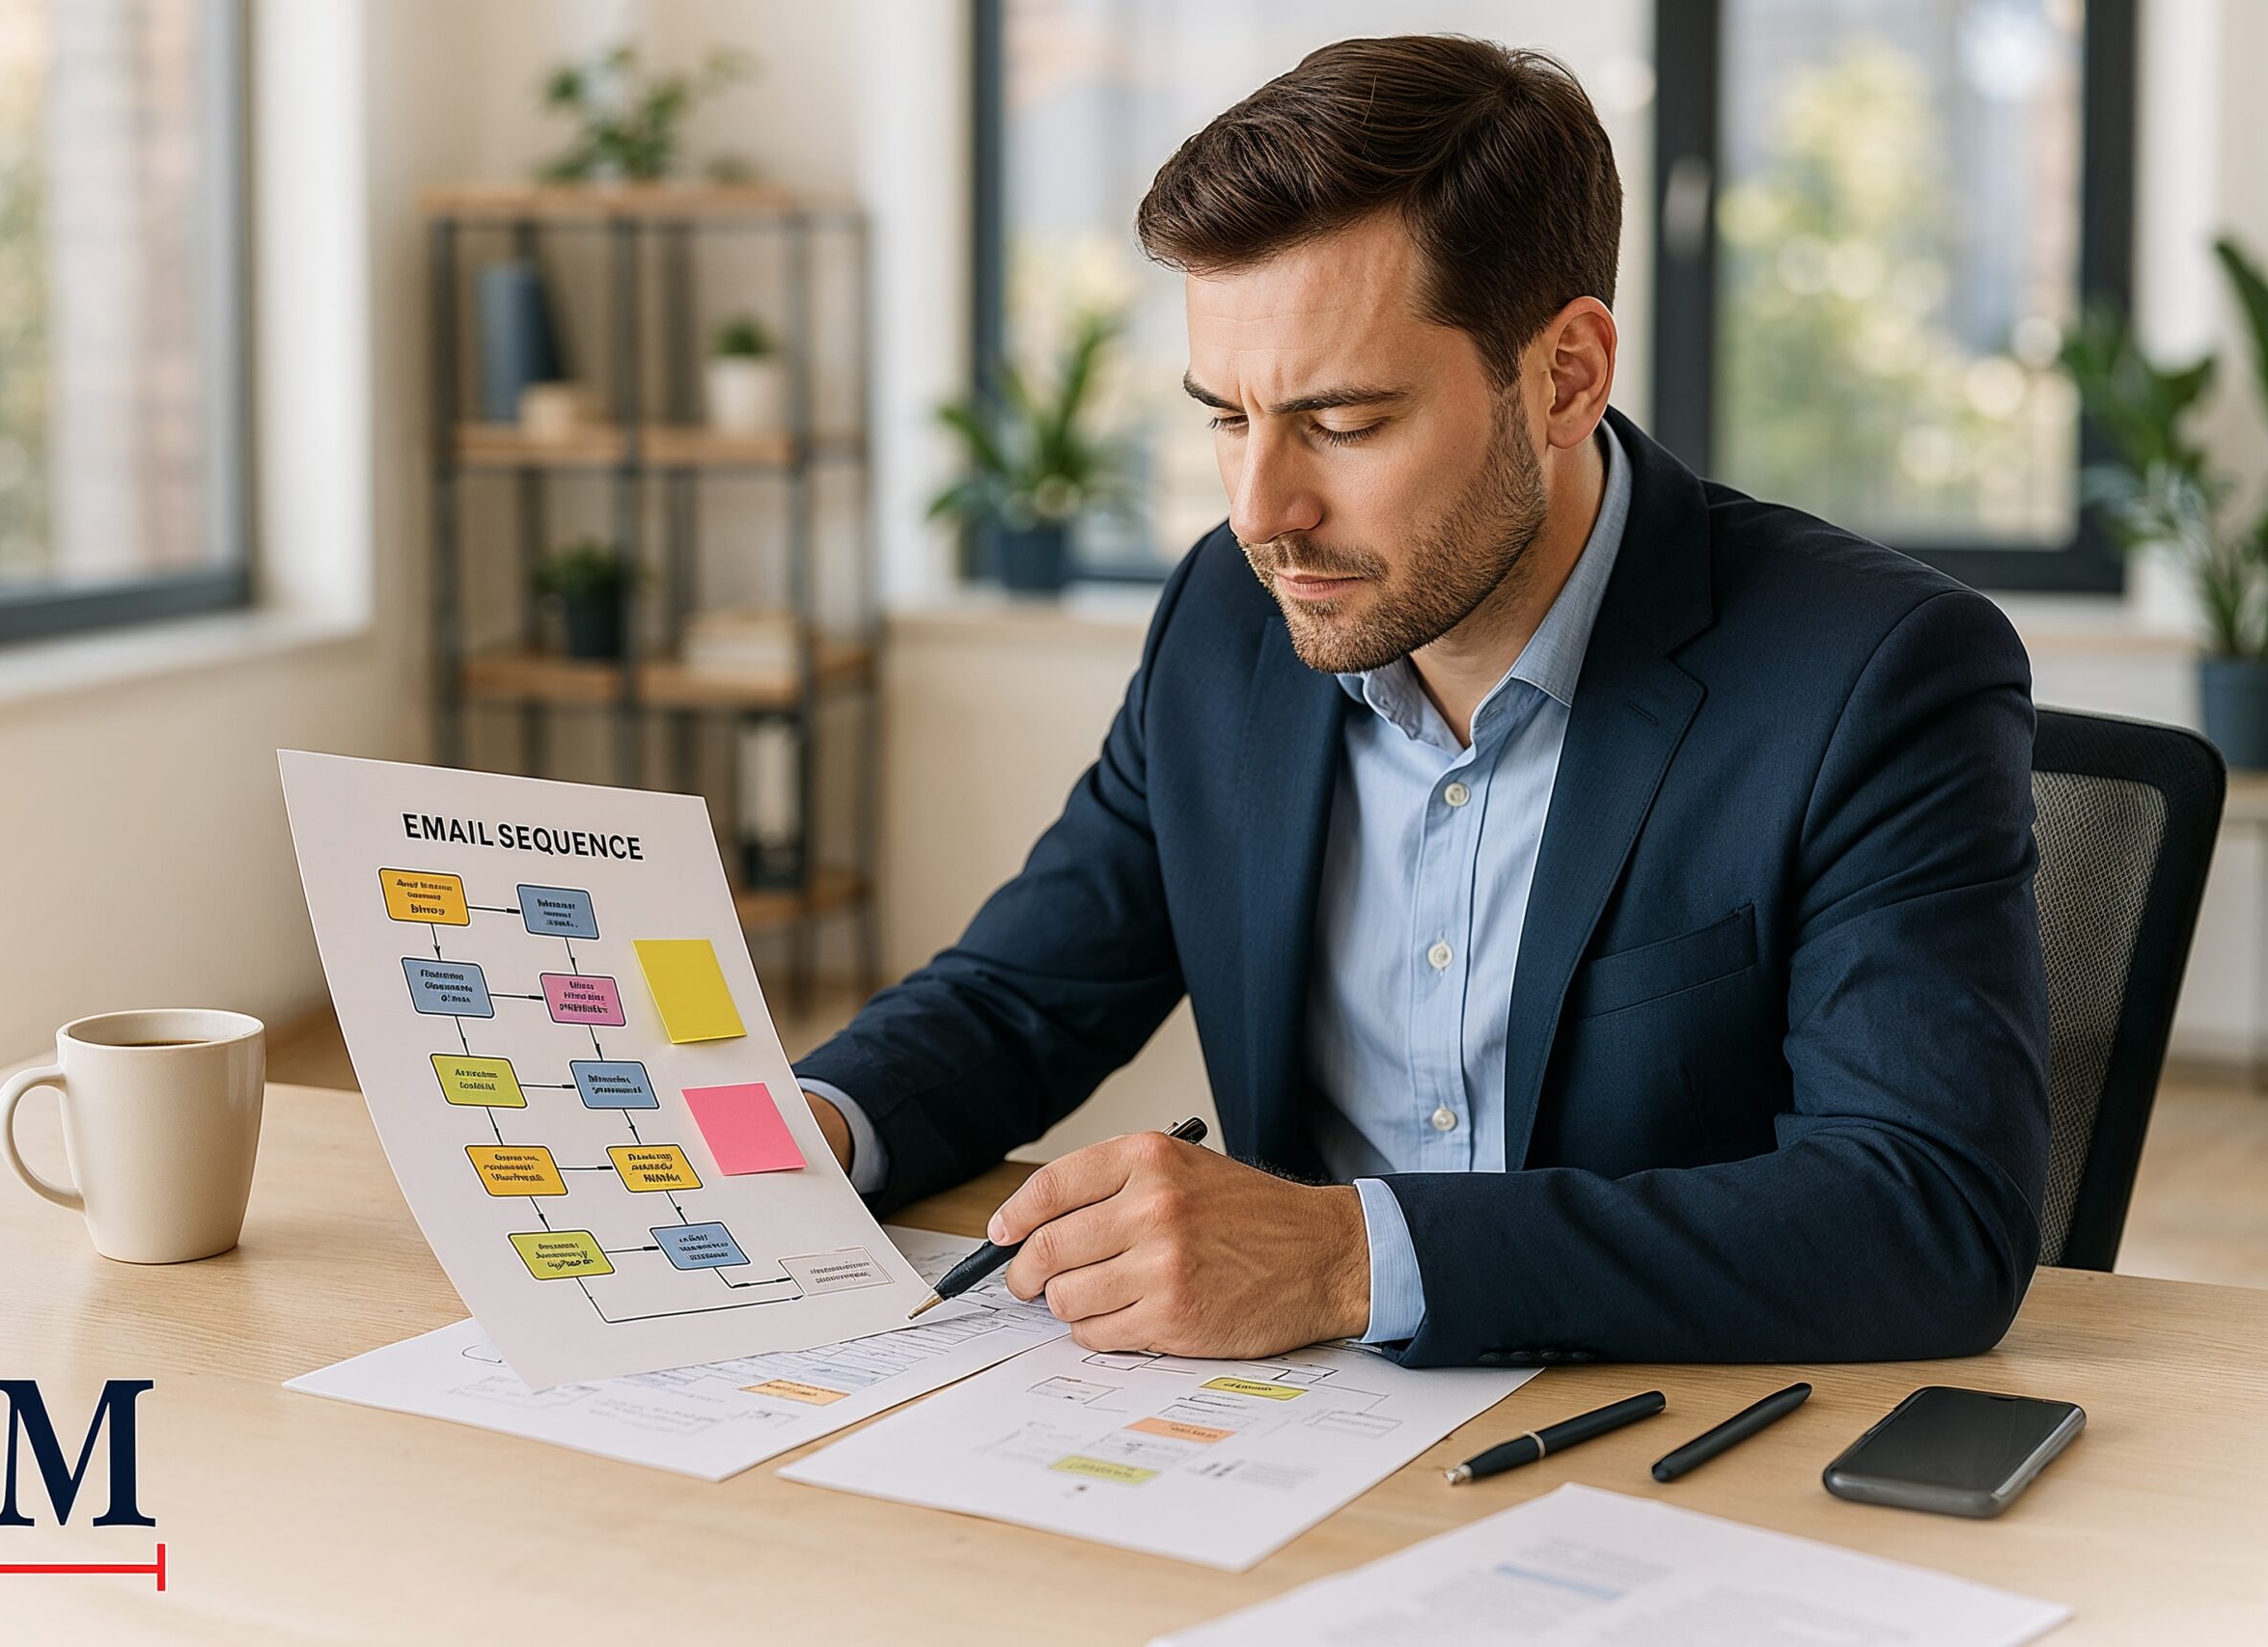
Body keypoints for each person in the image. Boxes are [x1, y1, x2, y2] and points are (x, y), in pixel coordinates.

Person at [797, 34, 2049, 1369]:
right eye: (1227, 416)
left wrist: (1347, 1256)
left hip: (1665, 1451)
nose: (1261, 514)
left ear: (1565, 376)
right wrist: (806, 1127)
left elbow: (1929, 1213)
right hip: (1279, 1445)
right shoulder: (1227, 621)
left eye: (1344, 424)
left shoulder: (1874, 672)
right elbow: (1019, 999)